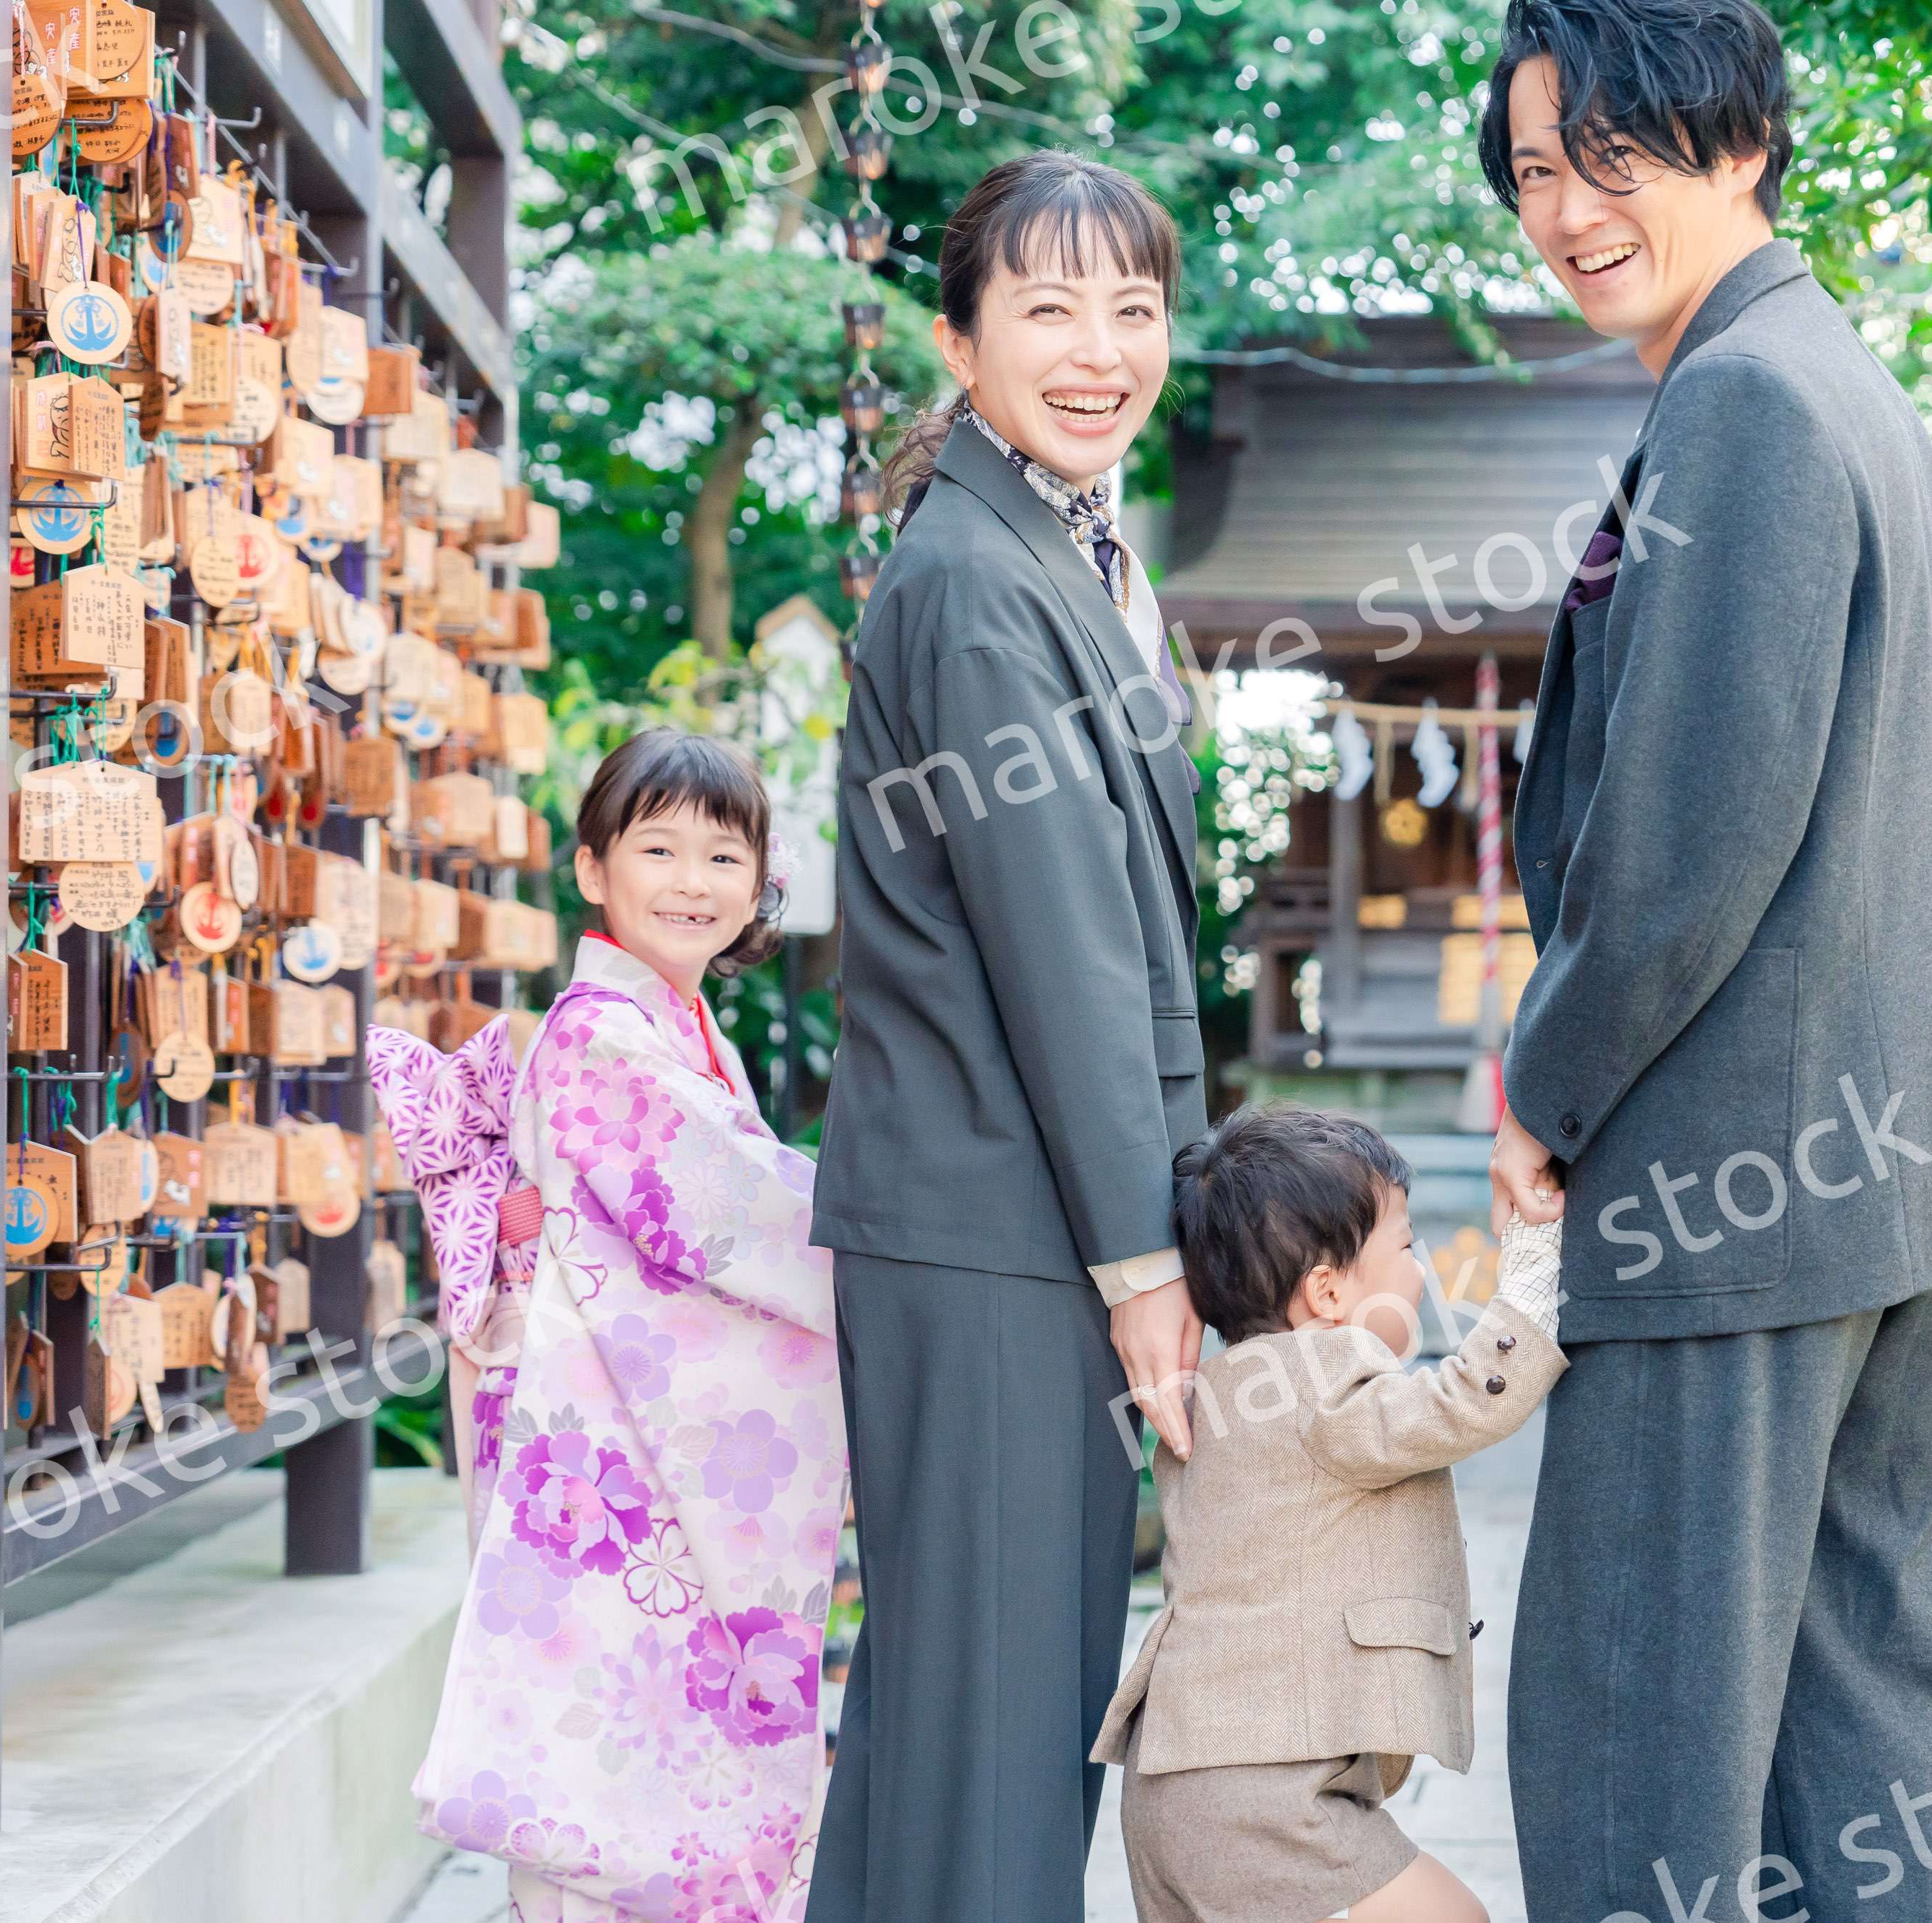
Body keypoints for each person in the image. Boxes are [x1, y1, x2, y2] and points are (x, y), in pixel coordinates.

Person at [1473, 1, 1932, 1917]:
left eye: (1612, 155)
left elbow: (1689, 848)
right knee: (1858, 1731)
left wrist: (1544, 1082)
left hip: (1742, 1188)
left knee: (1638, 1740)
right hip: (1883, 1186)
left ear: (1736, 140)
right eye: (1532, 173)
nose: (1568, 210)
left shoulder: (1748, 401)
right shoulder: (1819, 369)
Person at [806, 150, 1206, 1923]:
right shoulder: (979, 578)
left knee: (957, 1725)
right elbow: (1062, 950)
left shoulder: (1055, 546)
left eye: (1132, 305)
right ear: (960, 339)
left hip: (998, 1224)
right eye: (1048, 306)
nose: (1099, 346)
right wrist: (1146, 1262)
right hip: (1000, 1231)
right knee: (993, 1730)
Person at [366, 729, 840, 1922]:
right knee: (612, 1778)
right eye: (660, 847)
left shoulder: (672, 1024)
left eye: (723, 855)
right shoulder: (598, 1036)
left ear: (758, 880)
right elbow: (729, 1213)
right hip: (603, 1448)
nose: (693, 880)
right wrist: (886, 1244)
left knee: (638, 1767)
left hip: (619, 1430)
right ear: (592, 870)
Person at [1092, 1108, 1566, 1923]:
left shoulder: (1230, 1392)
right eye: (1406, 1249)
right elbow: (1458, 1406)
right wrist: (1528, 1272)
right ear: (1327, 1291)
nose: (1419, 1272)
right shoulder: (1315, 1377)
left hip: (1191, 1782)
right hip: (1261, 1795)